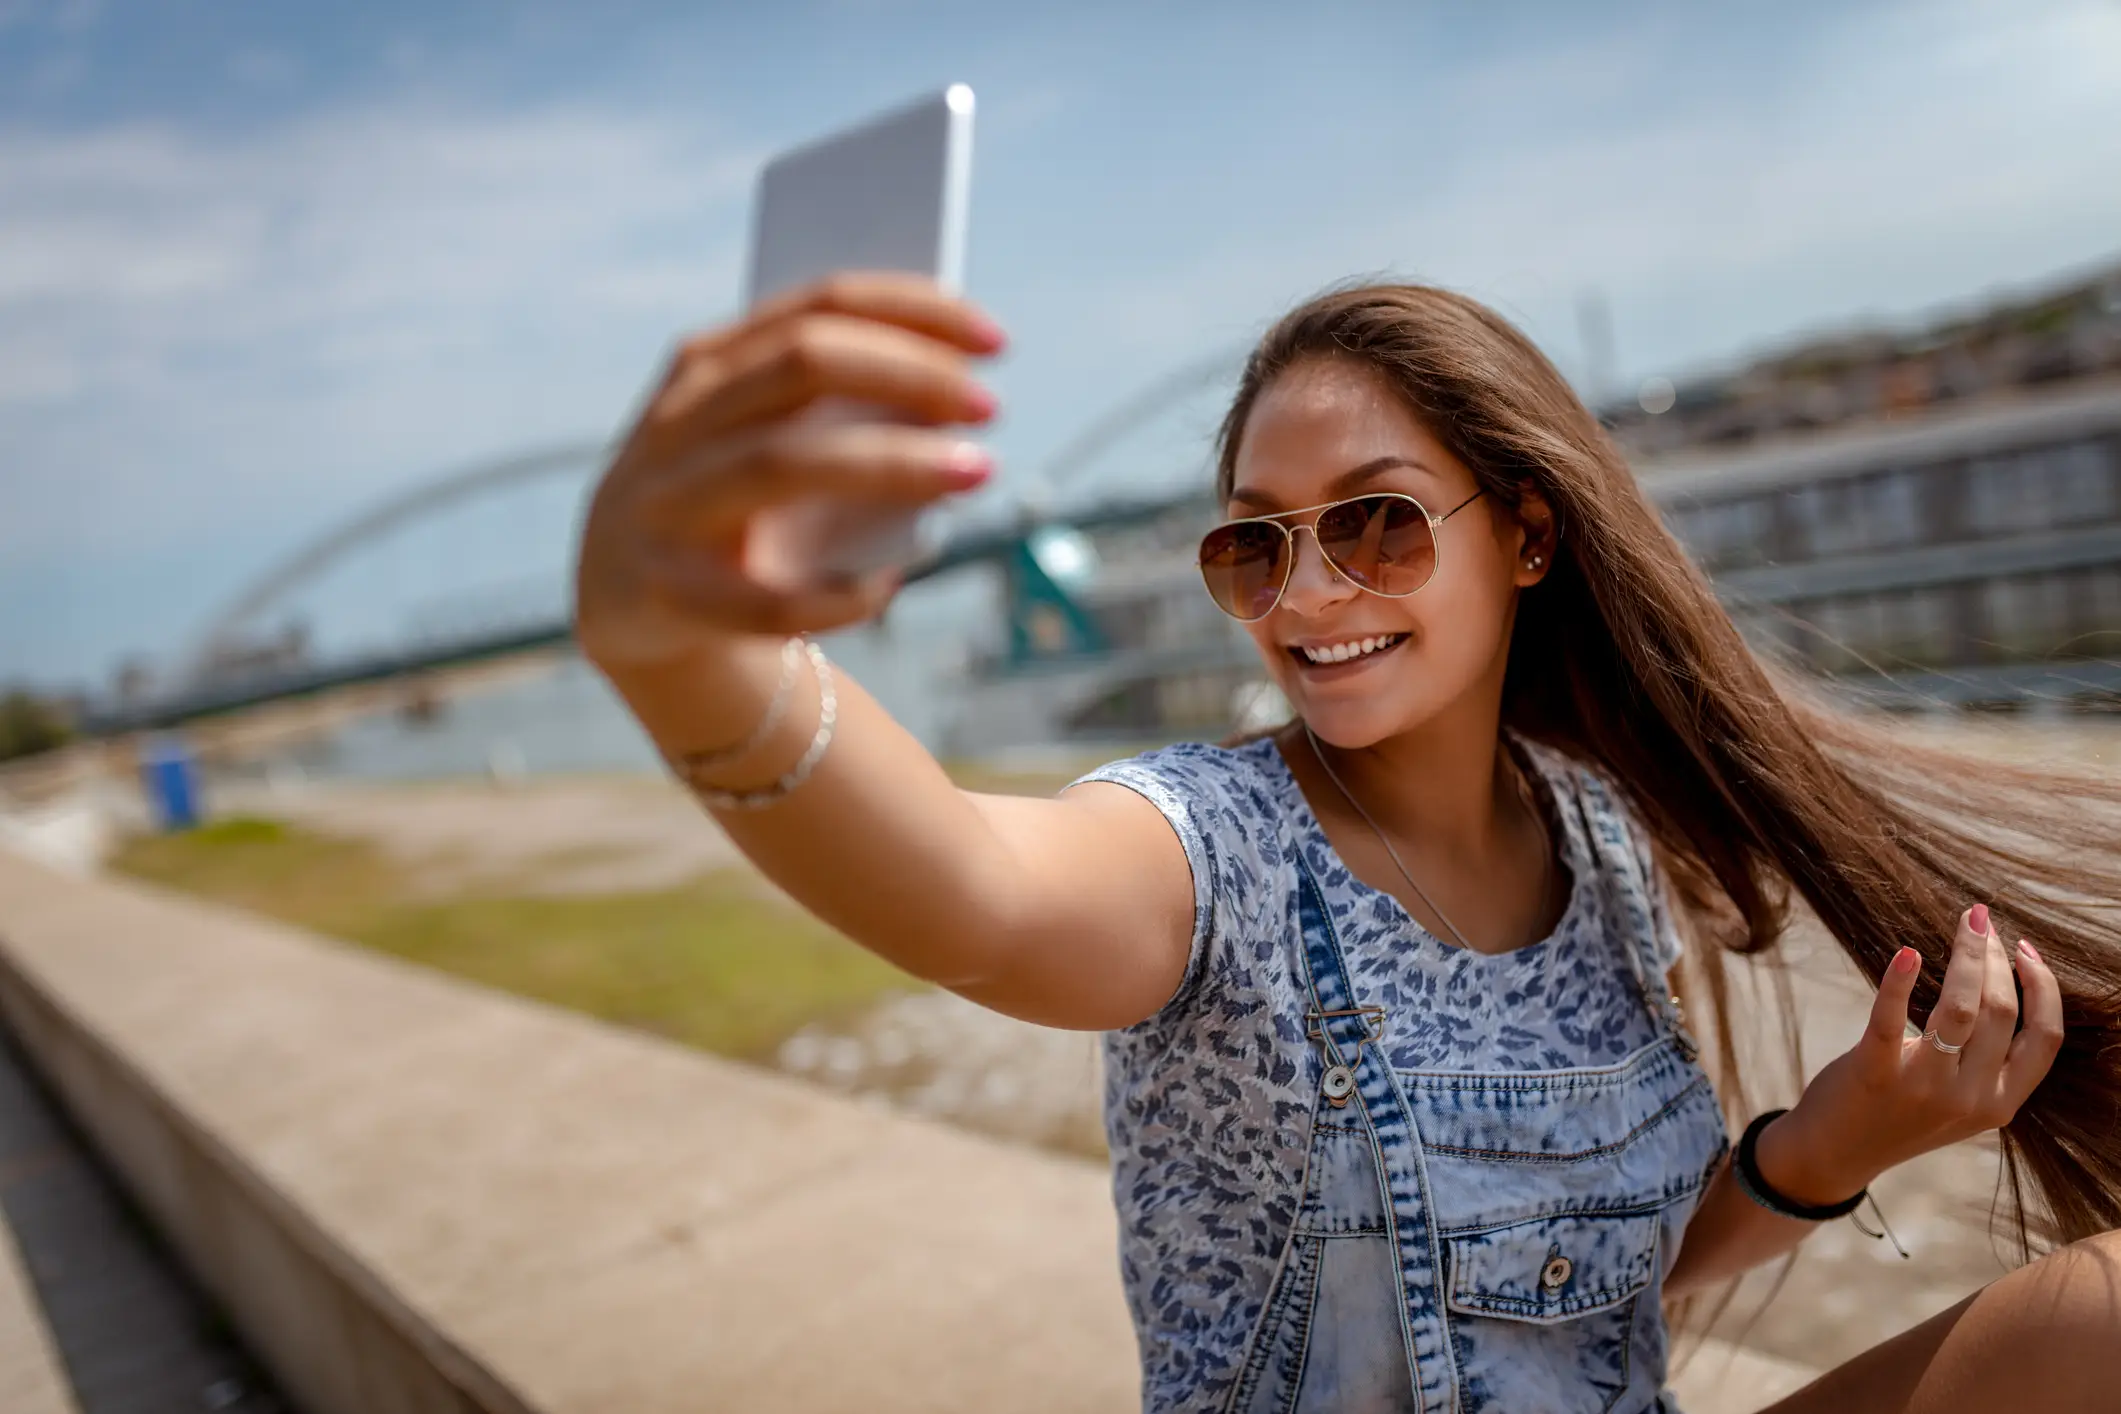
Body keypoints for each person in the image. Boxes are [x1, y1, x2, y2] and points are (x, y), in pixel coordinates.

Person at [573, 272, 2121, 1413]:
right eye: (1256, 543)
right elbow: (979, 895)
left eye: (1376, 522)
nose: (1308, 595)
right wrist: (682, 643)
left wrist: (1837, 1136)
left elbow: (1580, 1276)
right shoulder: (1217, 856)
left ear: (1525, 532)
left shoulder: (1593, 836)